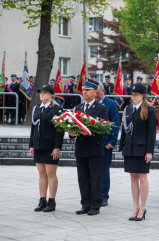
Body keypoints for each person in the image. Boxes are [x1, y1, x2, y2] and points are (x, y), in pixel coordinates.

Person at [69, 79, 109, 216]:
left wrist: (89, 133)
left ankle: (95, 205)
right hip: (81, 149)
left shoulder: (101, 108)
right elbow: (73, 128)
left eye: (87, 90)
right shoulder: (78, 108)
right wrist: (71, 133)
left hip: (94, 149)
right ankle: (85, 204)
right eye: (83, 90)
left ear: (95, 92)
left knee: (95, 179)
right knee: (83, 178)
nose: (84, 92)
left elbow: (104, 130)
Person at [119, 83, 156, 221]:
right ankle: (135, 207)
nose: (133, 97)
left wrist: (149, 151)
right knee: (132, 177)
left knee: (142, 178)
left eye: (136, 95)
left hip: (142, 148)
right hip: (129, 148)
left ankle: (142, 208)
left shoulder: (149, 110)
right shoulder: (128, 109)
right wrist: (122, 148)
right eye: (132, 94)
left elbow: (152, 133)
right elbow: (124, 129)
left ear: (143, 96)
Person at [29, 84, 64, 212]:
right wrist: (31, 145)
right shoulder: (37, 108)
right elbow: (33, 128)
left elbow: (59, 131)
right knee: (41, 174)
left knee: (51, 174)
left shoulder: (57, 109)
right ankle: (42, 200)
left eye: (44, 92)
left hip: (50, 146)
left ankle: (51, 201)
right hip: (38, 145)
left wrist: (57, 147)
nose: (42, 94)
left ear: (51, 95)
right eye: (41, 92)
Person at [95, 83, 120, 207]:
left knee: (104, 170)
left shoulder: (111, 104)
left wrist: (112, 141)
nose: (96, 94)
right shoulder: (92, 104)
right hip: (93, 143)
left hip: (105, 144)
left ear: (103, 91)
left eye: (98, 92)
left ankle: (104, 195)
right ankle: (94, 193)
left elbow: (115, 123)